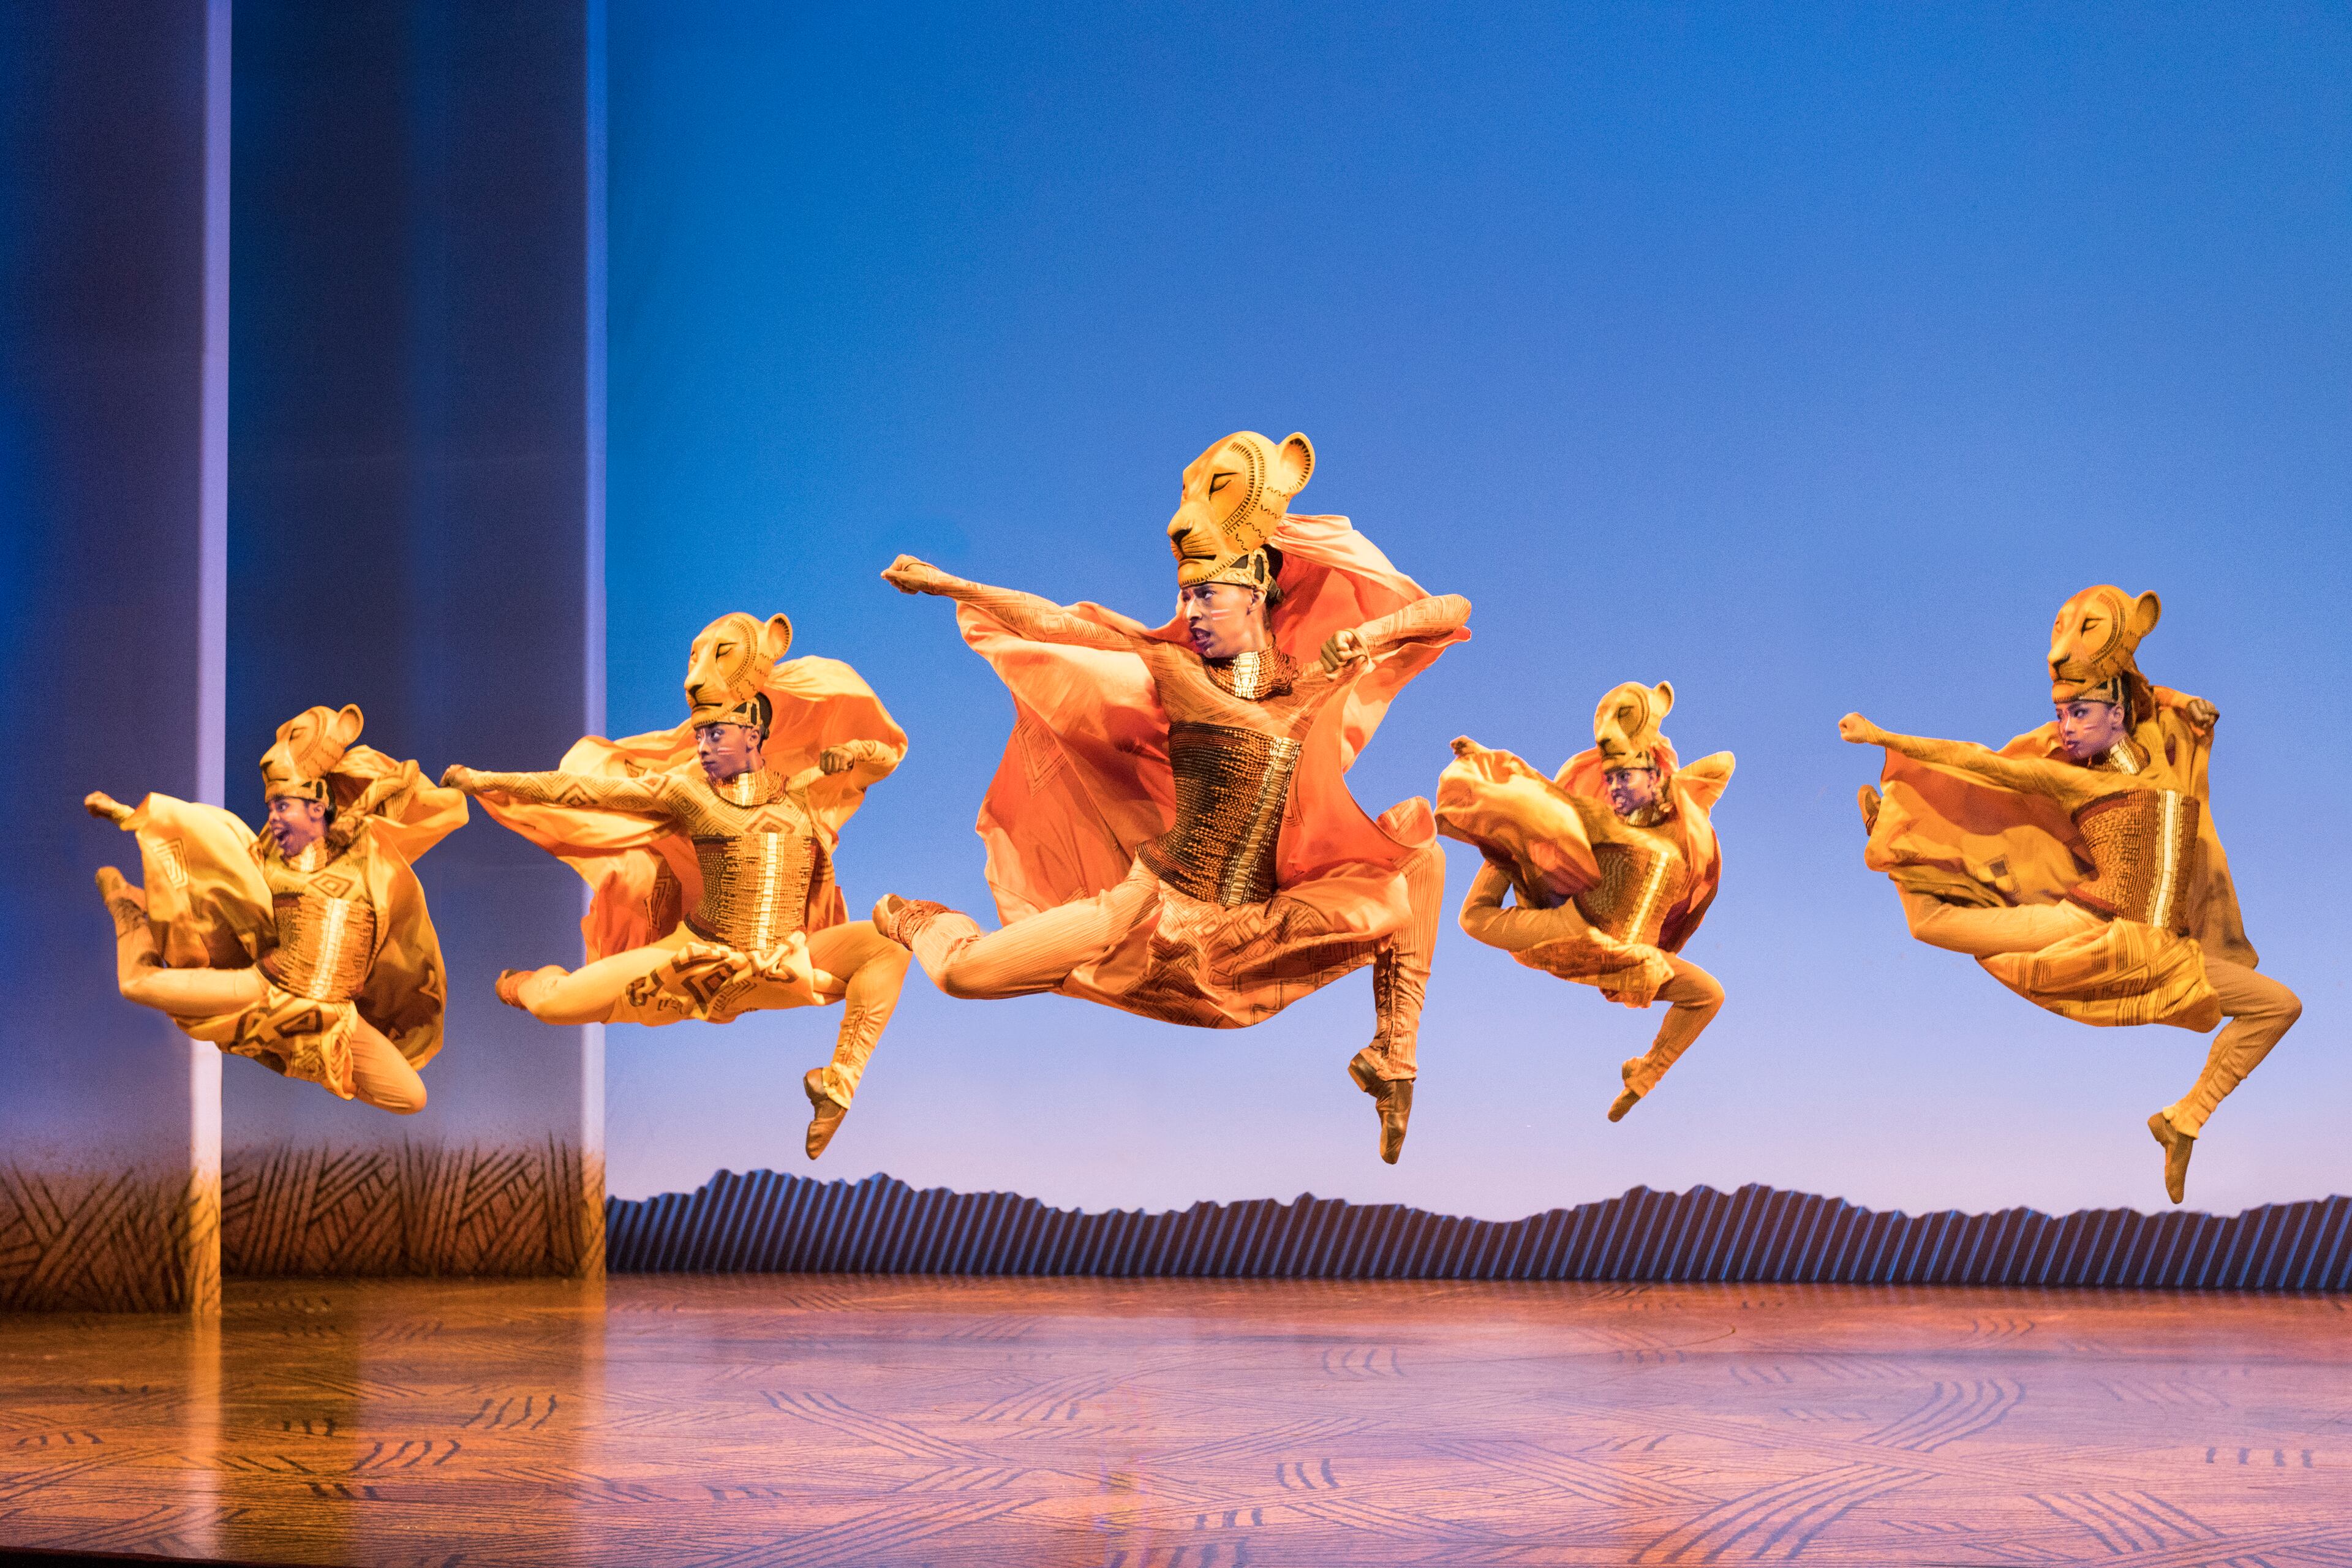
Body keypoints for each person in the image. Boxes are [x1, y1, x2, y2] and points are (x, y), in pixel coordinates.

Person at [874, 430, 1469, 1163]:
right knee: (964, 974)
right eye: (1185, 595)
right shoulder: (1174, 669)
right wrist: (956, 586)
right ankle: (914, 918)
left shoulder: (1306, 684)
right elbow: (1060, 622)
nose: (1190, 610)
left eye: (1206, 595)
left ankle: (1394, 1055)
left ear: (1257, 591)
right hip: (1145, 912)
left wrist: (1370, 634)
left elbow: (1448, 607)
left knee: (1419, 857)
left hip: (1249, 928)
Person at [1844, 585, 2297, 1203]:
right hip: (2087, 928)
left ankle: (2182, 1121)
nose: (2065, 727)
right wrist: (1883, 738)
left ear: (2118, 714)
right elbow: (1980, 762)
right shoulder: (2072, 782)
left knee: (2278, 1006)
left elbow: (2141, 684)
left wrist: (2183, 699)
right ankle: (1897, 833)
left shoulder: (2161, 750)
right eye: (2062, 715)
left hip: (2164, 951)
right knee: (1927, 924)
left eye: (2079, 713)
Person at [444, 611, 909, 1159]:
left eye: (715, 734)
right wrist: (487, 781)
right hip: (691, 958)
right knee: (557, 1004)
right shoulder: (688, 795)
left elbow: (884, 757)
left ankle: (837, 1083)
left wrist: (854, 755)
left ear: (754, 731)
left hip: (784, 958)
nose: (703, 748)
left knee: (888, 948)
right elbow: (579, 791)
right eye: (700, 736)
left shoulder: (802, 793)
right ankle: (521, 984)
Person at [86, 704, 462, 1112]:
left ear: (318, 809)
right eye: (271, 810)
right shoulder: (269, 867)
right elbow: (201, 838)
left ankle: (312, 1055)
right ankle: (127, 908)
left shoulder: (363, 850)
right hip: (263, 989)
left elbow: (405, 788)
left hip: (336, 1015)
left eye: (283, 808)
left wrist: (339, 759)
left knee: (411, 1097)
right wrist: (127, 814)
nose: (274, 820)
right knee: (137, 984)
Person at [1439, 681, 1733, 1120]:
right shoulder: (1606, 823)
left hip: (1623, 957)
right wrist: (1489, 762)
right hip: (1582, 936)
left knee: (1709, 995)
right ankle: (1508, 850)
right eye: (1612, 779)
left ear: (1656, 780)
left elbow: (1721, 765)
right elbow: (1545, 798)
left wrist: (1652, 731)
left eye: (1625, 778)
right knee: (1477, 913)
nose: (1615, 788)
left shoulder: (1677, 832)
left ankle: (1643, 1078)